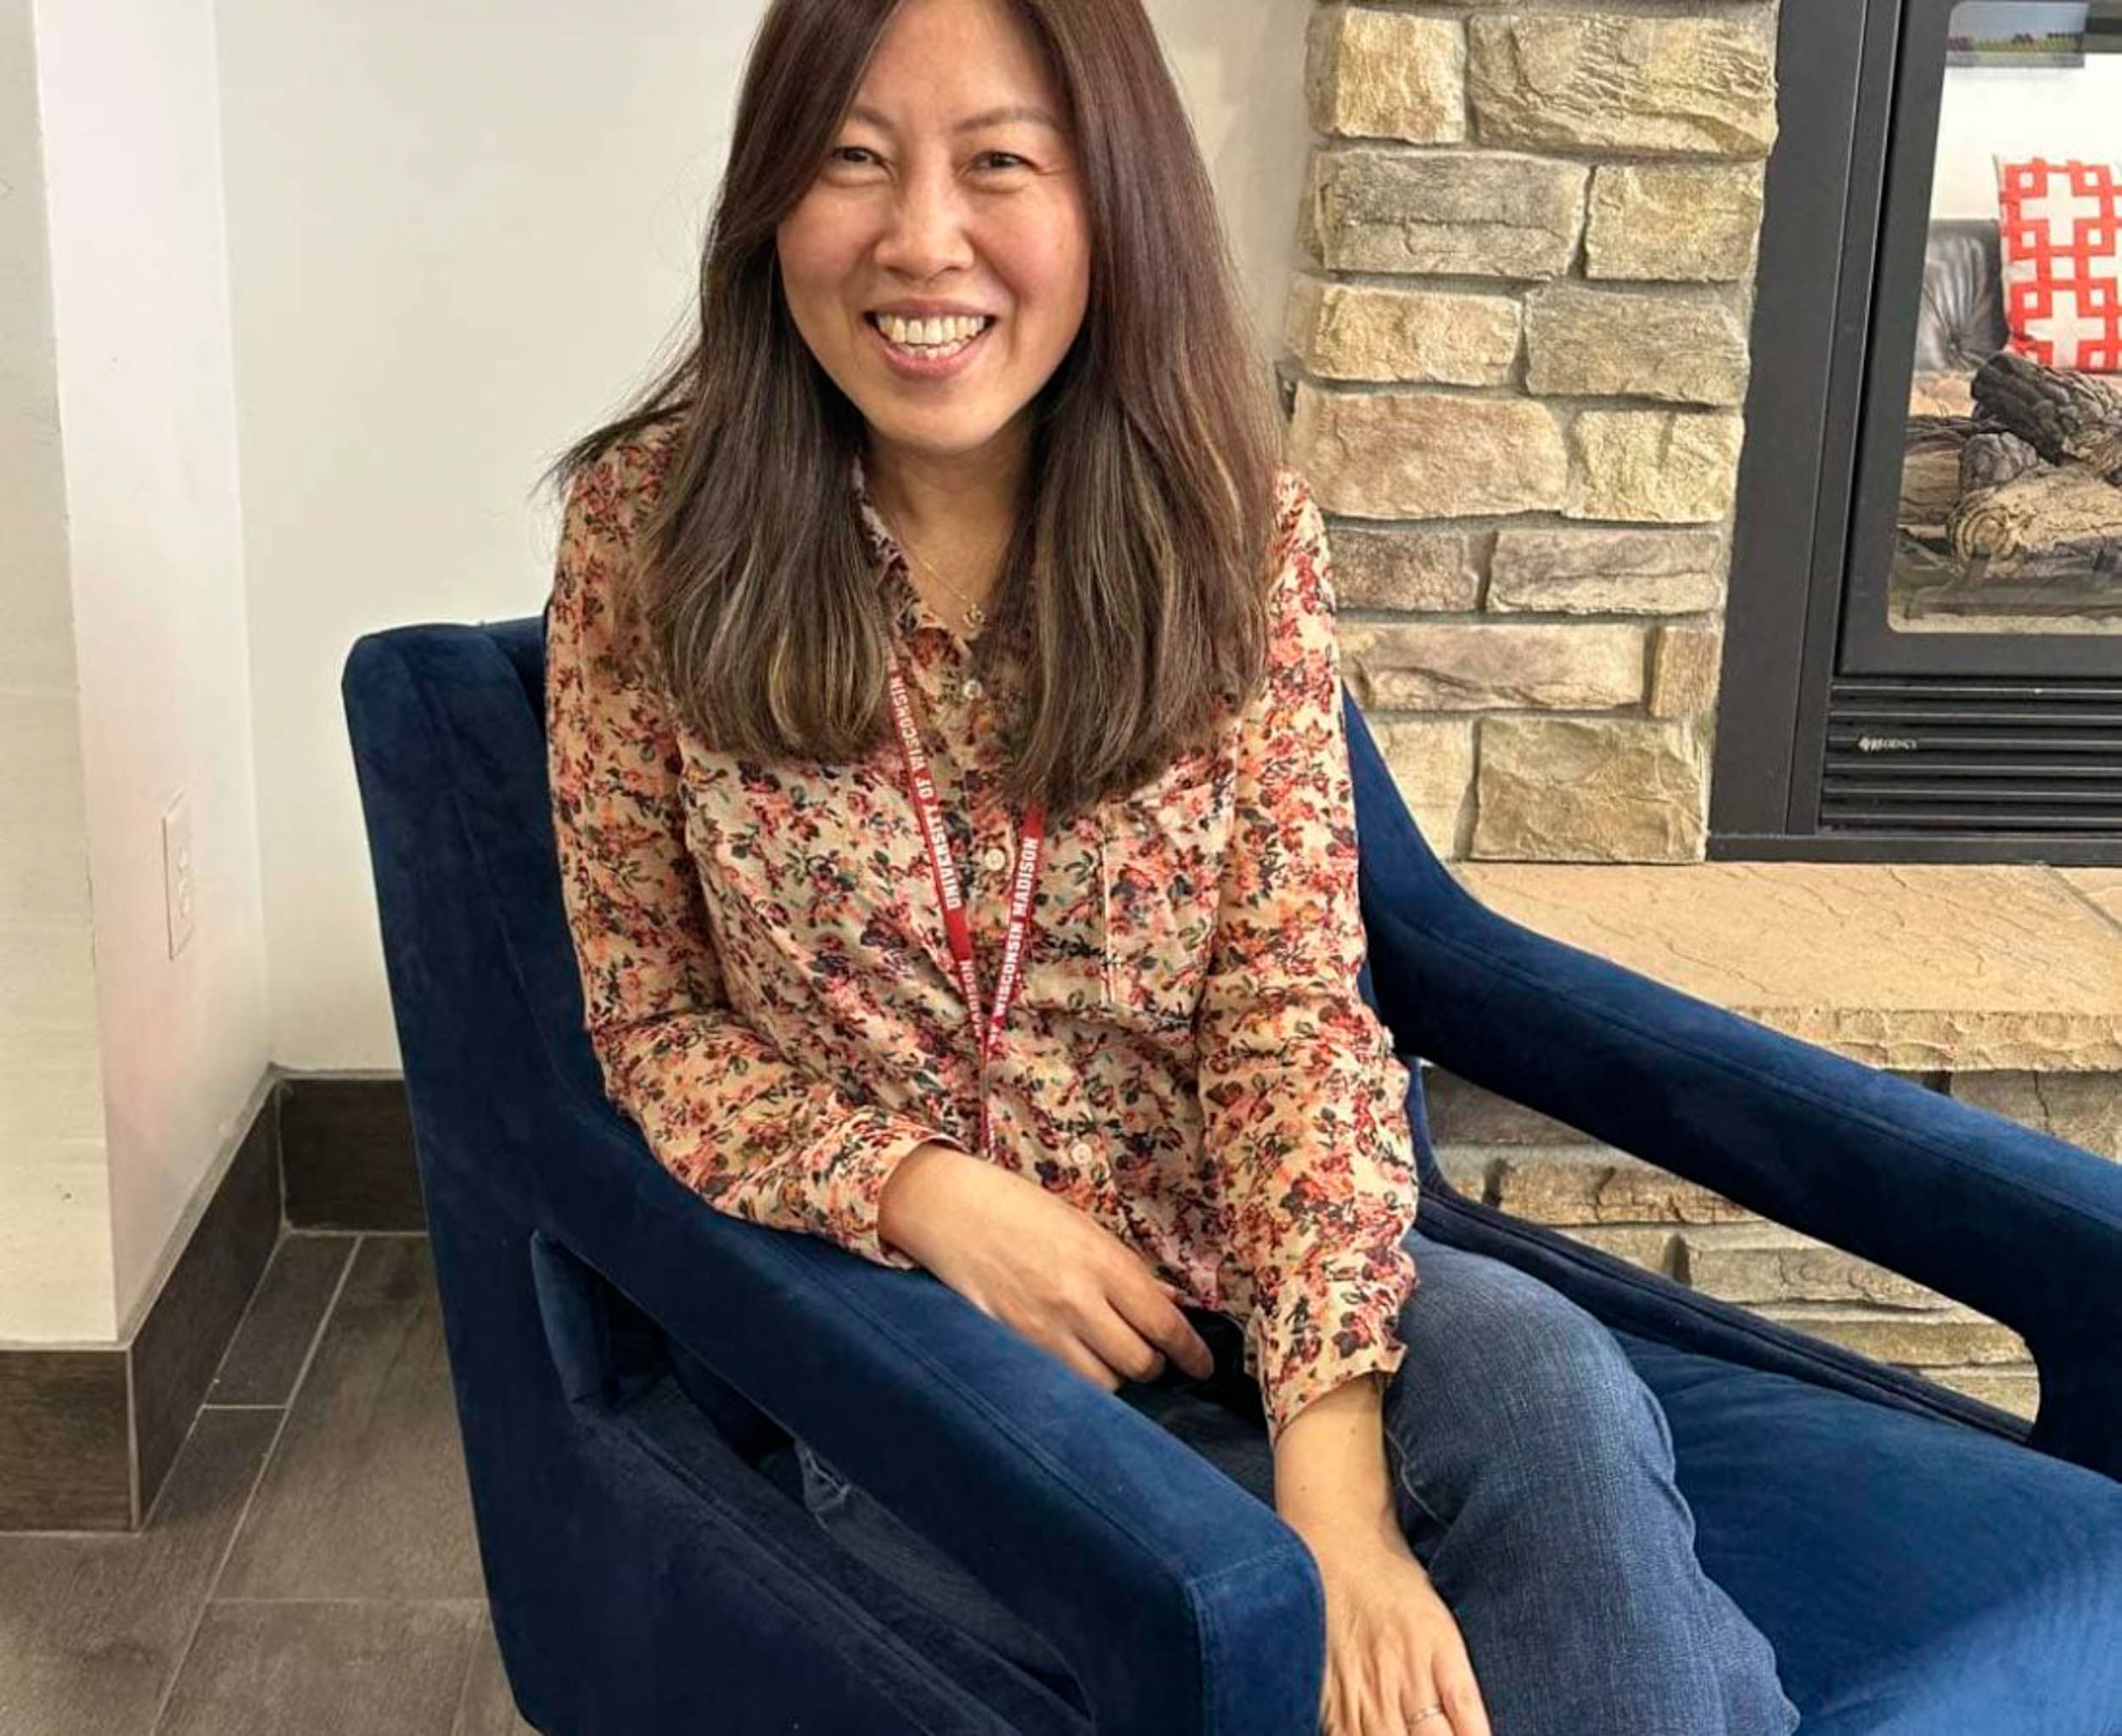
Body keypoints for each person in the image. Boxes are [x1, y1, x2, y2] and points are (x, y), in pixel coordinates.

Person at [539, 2, 1804, 1732]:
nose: (922, 239)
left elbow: (1288, 995)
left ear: (1106, 198)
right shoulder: (646, 535)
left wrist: (1340, 1501)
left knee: (1546, 1396)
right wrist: (925, 1194)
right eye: (851, 159)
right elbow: (651, 1019)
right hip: (898, 1328)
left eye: (998, 163)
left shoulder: (1227, 531)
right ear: (772, 201)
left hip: (1245, 1263)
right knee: (1216, 1621)